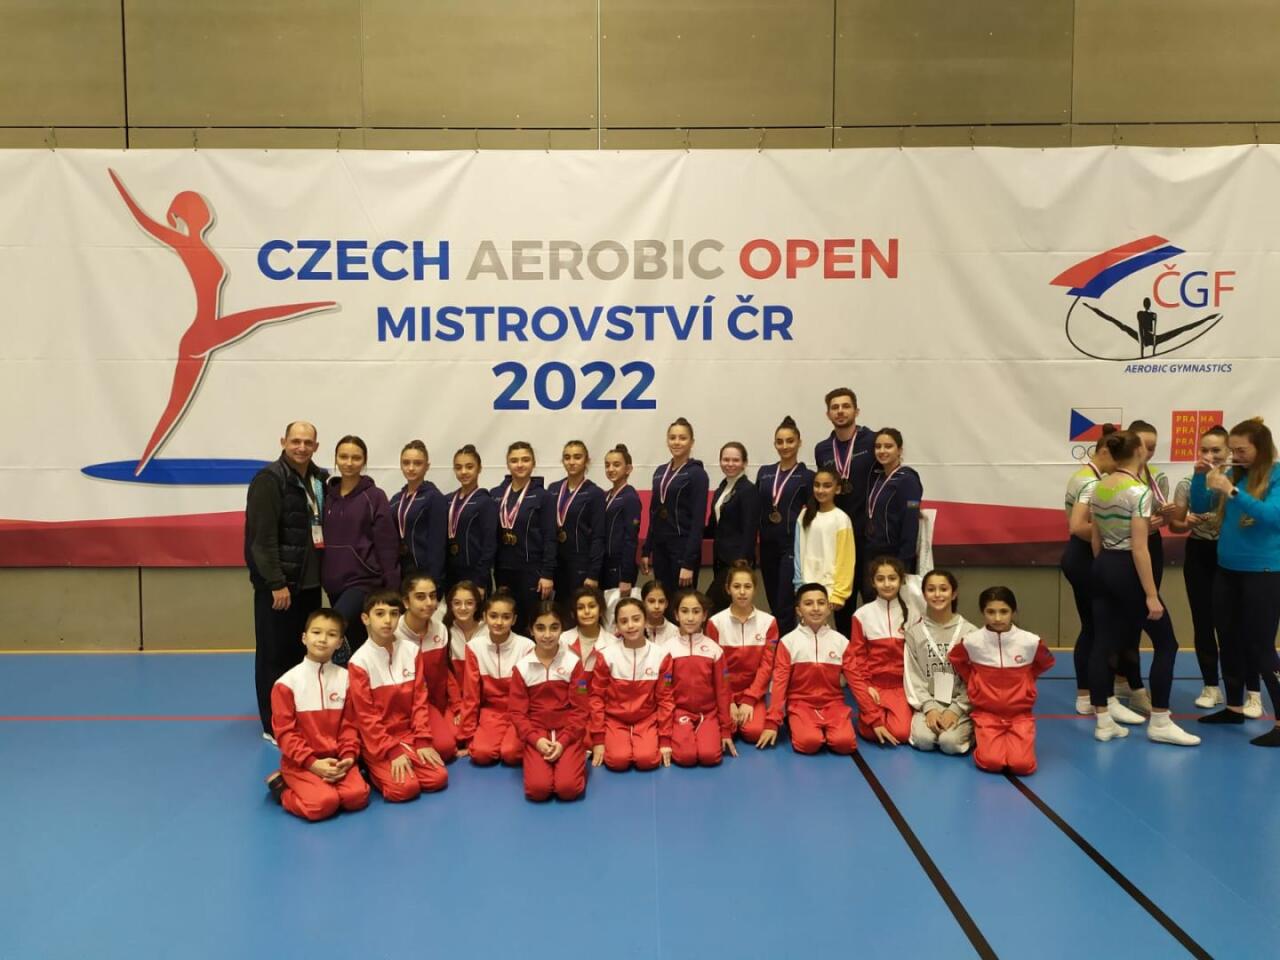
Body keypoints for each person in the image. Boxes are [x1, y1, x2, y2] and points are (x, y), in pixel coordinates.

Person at [1088, 431, 1197, 746]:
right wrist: (1150, 595)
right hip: (1126, 568)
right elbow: (1139, 548)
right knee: (1167, 643)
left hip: (1103, 565)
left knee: (1103, 642)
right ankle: (1160, 720)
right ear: (1137, 451)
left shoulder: (1099, 486)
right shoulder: (1138, 491)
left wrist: (1104, 570)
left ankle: (1103, 721)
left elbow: (1096, 538)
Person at [1193, 417, 1280, 745]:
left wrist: (1231, 490)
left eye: (1242, 450)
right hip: (1227, 570)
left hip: (1264, 572)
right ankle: (1233, 707)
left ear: (1261, 449)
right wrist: (1200, 477)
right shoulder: (1234, 474)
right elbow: (1201, 505)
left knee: (1260, 646)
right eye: (1233, 450)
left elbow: (1272, 517)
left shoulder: (1277, 475)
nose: (1235, 456)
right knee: (1227, 639)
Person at [245, 420, 327, 741]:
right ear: (283, 442)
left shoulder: (318, 480)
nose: (301, 447)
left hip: (309, 586)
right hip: (280, 588)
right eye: (295, 441)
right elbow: (261, 539)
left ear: (316, 446)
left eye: (307, 442)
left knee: (299, 654)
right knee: (273, 656)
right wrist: (275, 582)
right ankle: (272, 724)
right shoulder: (269, 480)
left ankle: (295, 715)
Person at [1172, 426, 1260, 712]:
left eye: (1216, 450)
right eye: (1204, 450)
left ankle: (1252, 690)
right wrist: (1185, 522)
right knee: (1203, 621)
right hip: (1200, 553)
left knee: (1240, 625)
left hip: (1233, 554)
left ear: (1229, 452)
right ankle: (1211, 686)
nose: (1209, 455)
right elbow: (1178, 523)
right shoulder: (1188, 481)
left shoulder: (1241, 481)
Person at [265, 608, 369, 821]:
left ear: (339, 643)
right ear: (304, 638)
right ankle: (282, 790)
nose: (322, 639)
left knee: (357, 798)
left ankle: (332, 783)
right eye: (316, 632)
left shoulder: (347, 679)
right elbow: (285, 734)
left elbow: (350, 725)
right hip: (302, 763)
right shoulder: (286, 684)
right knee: (323, 804)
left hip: (338, 760)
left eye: (331, 635)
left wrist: (348, 757)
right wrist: (312, 763)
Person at [346, 591, 448, 800]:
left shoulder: (411, 651)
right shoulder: (359, 662)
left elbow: (420, 701)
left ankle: (406, 754)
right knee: (405, 789)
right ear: (366, 618)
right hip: (378, 741)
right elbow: (366, 717)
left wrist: (422, 740)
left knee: (438, 778)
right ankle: (370, 766)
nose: (387, 620)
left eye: (393, 614)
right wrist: (391, 751)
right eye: (380, 614)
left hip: (408, 734)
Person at [948, 587, 1055, 775]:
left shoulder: (1030, 641)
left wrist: (1027, 680)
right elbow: (956, 658)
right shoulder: (972, 641)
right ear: (983, 612)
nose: (997, 618)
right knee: (991, 762)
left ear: (1013, 611)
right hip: (986, 714)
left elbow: (1046, 662)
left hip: (1020, 715)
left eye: (1004, 611)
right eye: (991, 612)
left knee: (1022, 766)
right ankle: (983, 739)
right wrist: (973, 680)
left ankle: (1007, 743)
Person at [321, 436, 399, 661]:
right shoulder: (326, 496)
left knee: (332, 625)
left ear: (364, 461)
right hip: (333, 581)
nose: (349, 463)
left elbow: (387, 544)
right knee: (355, 642)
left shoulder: (374, 496)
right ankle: (358, 679)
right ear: (336, 459)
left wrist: (393, 586)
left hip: (363, 581)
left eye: (356, 458)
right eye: (343, 457)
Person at [757, 583, 858, 755]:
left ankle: (829, 728)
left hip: (833, 704)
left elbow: (857, 680)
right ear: (799, 610)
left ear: (829, 607)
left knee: (845, 744)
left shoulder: (841, 642)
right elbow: (779, 684)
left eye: (821, 603)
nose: (816, 608)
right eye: (809, 603)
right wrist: (772, 722)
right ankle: (796, 723)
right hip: (800, 704)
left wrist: (874, 719)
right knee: (809, 743)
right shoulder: (788, 642)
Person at [1060, 426, 1118, 716]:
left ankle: (1089, 693)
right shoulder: (1091, 483)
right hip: (1084, 556)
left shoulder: (1083, 476)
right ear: (1104, 451)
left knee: (1093, 627)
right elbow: (1078, 527)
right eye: (1117, 458)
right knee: (1095, 628)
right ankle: (1091, 694)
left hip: (1078, 556)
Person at [508, 602, 589, 802]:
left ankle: (575, 755)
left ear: (562, 628)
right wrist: (536, 740)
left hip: (568, 733)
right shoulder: (522, 668)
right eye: (540, 628)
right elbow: (517, 713)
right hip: (536, 734)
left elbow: (581, 709)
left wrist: (563, 741)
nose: (547, 635)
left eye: (554, 627)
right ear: (531, 630)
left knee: (568, 789)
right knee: (538, 790)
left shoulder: (574, 663)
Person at [813, 388, 876, 635]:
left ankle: (873, 653)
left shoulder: (872, 441)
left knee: (871, 597)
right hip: (838, 535)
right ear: (828, 414)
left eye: (846, 406)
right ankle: (846, 654)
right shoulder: (822, 449)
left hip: (867, 535)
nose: (840, 411)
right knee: (841, 601)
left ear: (856, 411)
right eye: (835, 407)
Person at [589, 597, 676, 771]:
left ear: (645, 621)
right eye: (623, 621)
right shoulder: (606, 655)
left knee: (648, 760)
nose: (630, 625)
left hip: (646, 720)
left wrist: (665, 740)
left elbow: (665, 700)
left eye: (636, 619)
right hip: (615, 720)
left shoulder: (661, 656)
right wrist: (598, 739)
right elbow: (596, 697)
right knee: (616, 761)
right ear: (617, 626)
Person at [457, 589, 535, 766]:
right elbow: (470, 695)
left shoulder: (527, 646)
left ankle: (512, 741)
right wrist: (468, 737)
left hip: (520, 713)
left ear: (514, 620)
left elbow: (533, 693)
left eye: (506, 617)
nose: (499, 622)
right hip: (491, 713)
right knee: (481, 754)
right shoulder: (474, 647)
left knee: (511, 754)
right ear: (484, 617)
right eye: (493, 616)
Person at [705, 561, 780, 744]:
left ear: (755, 589)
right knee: (725, 730)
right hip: (724, 692)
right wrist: (729, 700)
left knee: (754, 732)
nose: (742, 592)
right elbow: (715, 668)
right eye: (736, 586)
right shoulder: (715, 622)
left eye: (747, 586)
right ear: (728, 589)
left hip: (754, 691)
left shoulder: (769, 622)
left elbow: (767, 665)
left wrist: (750, 699)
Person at [903, 570, 975, 756]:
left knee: (950, 744)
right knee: (923, 740)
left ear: (954, 593)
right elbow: (912, 676)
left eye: (943, 589)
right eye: (931, 589)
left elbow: (976, 679)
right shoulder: (914, 633)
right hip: (929, 702)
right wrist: (929, 709)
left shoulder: (970, 633)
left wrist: (956, 710)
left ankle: (972, 731)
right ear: (924, 594)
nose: (937, 594)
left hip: (959, 704)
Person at [662, 589, 735, 766]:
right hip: (679, 713)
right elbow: (663, 694)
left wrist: (725, 730)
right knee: (685, 758)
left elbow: (723, 691)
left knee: (710, 757)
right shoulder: (667, 650)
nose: (690, 618)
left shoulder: (714, 650)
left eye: (696, 612)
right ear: (676, 615)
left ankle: (706, 733)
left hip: (708, 713)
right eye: (684, 611)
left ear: (704, 615)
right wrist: (664, 738)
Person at [491, 442, 557, 633]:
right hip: (503, 569)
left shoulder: (543, 496)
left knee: (529, 622)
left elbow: (550, 537)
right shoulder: (496, 494)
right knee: (505, 620)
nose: (520, 465)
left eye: (525, 460)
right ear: (507, 464)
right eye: (514, 460)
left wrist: (547, 574)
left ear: (533, 463)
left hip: (531, 571)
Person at [755, 416, 813, 636]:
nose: (785, 446)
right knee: (773, 601)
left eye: (790, 441)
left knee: (785, 603)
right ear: (774, 444)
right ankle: (780, 645)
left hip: (792, 546)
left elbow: (812, 515)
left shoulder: (807, 476)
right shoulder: (765, 472)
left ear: (799, 442)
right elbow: (757, 508)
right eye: (780, 441)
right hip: (767, 545)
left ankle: (785, 650)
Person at [641, 418, 710, 591]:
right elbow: (654, 513)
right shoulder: (660, 472)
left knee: (683, 602)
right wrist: (646, 550)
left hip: (682, 546)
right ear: (667, 441)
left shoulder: (697, 474)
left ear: (691, 442)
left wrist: (688, 562)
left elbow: (698, 521)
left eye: (682, 438)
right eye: (672, 438)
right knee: (663, 599)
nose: (677, 442)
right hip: (660, 547)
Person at [849, 557, 912, 746]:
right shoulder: (862, 615)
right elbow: (857, 657)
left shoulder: (912, 613)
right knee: (871, 731)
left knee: (901, 733)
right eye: (880, 579)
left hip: (901, 687)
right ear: (872, 582)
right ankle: (872, 714)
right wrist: (867, 686)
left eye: (892, 578)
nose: (887, 584)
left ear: (901, 580)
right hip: (873, 685)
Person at [396, 573, 459, 762]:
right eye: (420, 597)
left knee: (457, 739)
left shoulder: (440, 629)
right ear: (406, 602)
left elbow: (445, 672)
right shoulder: (394, 633)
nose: (429, 602)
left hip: (435, 705)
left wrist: (456, 706)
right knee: (444, 748)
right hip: (407, 708)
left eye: (433, 596)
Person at [862, 429, 924, 602]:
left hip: (895, 554)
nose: (882, 451)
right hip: (872, 552)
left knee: (895, 607)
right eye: (878, 446)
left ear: (900, 450)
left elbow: (911, 520)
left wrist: (903, 562)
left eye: (888, 446)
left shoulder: (908, 479)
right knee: (873, 604)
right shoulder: (877, 478)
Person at [704, 442, 762, 613]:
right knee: (725, 612)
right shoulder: (721, 489)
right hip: (720, 560)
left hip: (737, 563)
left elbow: (750, 529)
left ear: (745, 463)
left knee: (710, 606)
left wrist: (742, 562)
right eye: (726, 459)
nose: (730, 464)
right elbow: (713, 527)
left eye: (735, 460)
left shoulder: (749, 490)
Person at [792, 467, 856, 615]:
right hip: (806, 586)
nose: (820, 490)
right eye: (817, 485)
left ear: (837, 489)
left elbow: (846, 560)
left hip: (830, 590)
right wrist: (798, 585)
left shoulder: (841, 519)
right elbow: (798, 552)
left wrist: (839, 594)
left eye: (827, 486)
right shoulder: (804, 515)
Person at [548, 440, 606, 600]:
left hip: (581, 563)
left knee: (578, 608)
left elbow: (598, 536)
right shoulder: (553, 489)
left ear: (586, 460)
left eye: (577, 457)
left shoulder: (595, 493)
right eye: (567, 457)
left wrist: (593, 573)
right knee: (557, 608)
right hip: (556, 562)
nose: (572, 462)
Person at [389, 440, 448, 584]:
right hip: (400, 570)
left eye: (417, 463)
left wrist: (434, 580)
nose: (411, 468)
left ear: (427, 466)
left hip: (423, 571)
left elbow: (438, 543)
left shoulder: (434, 497)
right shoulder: (396, 499)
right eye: (406, 463)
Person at [444, 444, 497, 593]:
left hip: (475, 574)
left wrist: (480, 580)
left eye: (469, 467)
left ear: (479, 468)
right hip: (450, 572)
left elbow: (490, 544)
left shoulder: (486, 502)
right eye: (458, 467)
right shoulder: (447, 500)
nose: (463, 472)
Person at [601, 443, 642, 598]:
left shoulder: (630, 498)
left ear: (628, 469)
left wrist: (626, 576)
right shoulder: (605, 495)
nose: (611, 469)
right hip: (604, 564)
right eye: (607, 465)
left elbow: (631, 539)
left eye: (616, 465)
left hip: (619, 567)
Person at [559, 586, 616, 692]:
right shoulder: (563, 640)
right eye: (580, 608)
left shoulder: (613, 643)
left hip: (600, 698)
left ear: (601, 610)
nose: (586, 611)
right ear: (573, 613)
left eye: (592, 606)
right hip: (569, 697)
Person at [444, 580, 487, 675]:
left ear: (476, 606)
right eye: (457, 603)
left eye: (469, 603)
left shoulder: (488, 631)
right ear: (451, 606)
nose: (463, 608)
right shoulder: (444, 632)